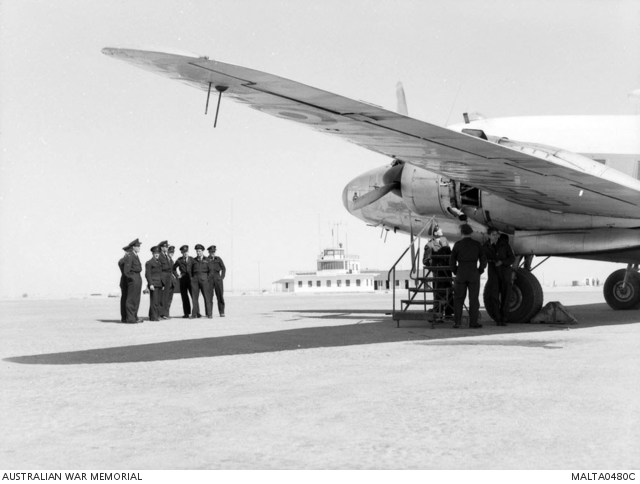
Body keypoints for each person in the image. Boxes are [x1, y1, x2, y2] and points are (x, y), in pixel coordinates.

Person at [449, 224, 487, 329]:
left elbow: (452, 261)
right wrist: (480, 270)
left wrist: (456, 271)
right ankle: (473, 323)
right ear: (471, 232)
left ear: (461, 233)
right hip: (473, 272)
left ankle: (457, 322)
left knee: (458, 299)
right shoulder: (477, 244)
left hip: (461, 272)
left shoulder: (457, 245)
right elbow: (483, 260)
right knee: (473, 299)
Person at [483, 229, 516, 325]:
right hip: (493, 272)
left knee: (506, 295)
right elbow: (482, 259)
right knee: (494, 295)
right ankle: (497, 318)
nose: (496, 236)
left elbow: (512, 258)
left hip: (505, 272)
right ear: (489, 236)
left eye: (497, 234)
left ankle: (504, 318)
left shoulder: (505, 245)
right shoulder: (485, 247)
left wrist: (502, 262)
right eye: (493, 235)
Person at [423, 228, 453, 318]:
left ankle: (449, 313)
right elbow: (425, 261)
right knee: (438, 294)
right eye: (439, 229)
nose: (441, 230)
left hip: (447, 272)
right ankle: (438, 314)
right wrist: (434, 268)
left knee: (449, 292)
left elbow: (450, 255)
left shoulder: (445, 241)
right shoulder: (429, 245)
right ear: (435, 232)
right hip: (438, 273)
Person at [122, 238, 143, 324]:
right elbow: (126, 271)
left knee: (136, 299)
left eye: (139, 246)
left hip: (138, 276)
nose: (139, 247)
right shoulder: (130, 255)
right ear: (133, 247)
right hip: (133, 278)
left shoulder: (135, 255)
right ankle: (130, 318)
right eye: (137, 246)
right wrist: (132, 278)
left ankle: (134, 316)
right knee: (131, 299)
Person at [190, 244, 212, 318]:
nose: (198, 252)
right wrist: (191, 278)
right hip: (195, 280)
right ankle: (194, 314)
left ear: (202, 251)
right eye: (197, 251)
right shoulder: (193, 260)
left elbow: (211, 271)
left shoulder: (207, 260)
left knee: (207, 297)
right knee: (194, 298)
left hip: (204, 280)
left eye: (199, 251)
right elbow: (190, 270)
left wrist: (207, 279)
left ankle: (209, 314)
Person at [174, 245, 194, 318]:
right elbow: (173, 268)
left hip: (191, 279)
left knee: (193, 296)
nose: (185, 253)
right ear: (181, 252)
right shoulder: (179, 260)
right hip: (183, 280)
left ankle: (196, 312)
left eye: (186, 251)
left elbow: (195, 268)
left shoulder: (192, 259)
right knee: (184, 296)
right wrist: (177, 275)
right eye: (183, 252)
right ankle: (186, 313)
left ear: (188, 252)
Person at [207, 245, 226, 317]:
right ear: (209, 252)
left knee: (220, 295)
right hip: (210, 279)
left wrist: (222, 277)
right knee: (209, 296)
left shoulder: (218, 259)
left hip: (218, 278)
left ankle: (222, 312)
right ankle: (209, 313)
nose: (213, 253)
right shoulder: (206, 259)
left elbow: (223, 268)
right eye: (211, 252)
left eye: (214, 251)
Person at [145, 246, 163, 321]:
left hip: (159, 284)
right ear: (152, 254)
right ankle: (153, 317)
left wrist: (163, 284)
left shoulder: (159, 262)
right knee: (154, 301)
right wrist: (150, 284)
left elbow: (160, 274)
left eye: (158, 253)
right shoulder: (149, 263)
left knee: (158, 301)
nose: (157, 255)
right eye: (155, 253)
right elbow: (147, 274)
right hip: (154, 284)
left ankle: (154, 315)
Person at [157, 240, 172, 319]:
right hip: (163, 275)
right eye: (165, 247)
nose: (167, 248)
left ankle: (163, 314)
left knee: (166, 296)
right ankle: (159, 314)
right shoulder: (159, 255)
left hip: (168, 276)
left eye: (167, 247)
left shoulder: (166, 255)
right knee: (161, 296)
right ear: (161, 247)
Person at [118, 244, 132, 323]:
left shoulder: (126, 260)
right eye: (129, 252)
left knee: (127, 299)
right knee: (125, 299)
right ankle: (124, 317)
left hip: (128, 281)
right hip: (125, 281)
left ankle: (127, 316)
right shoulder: (123, 260)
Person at [167, 246, 178, 317]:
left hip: (171, 282)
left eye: (173, 252)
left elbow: (174, 270)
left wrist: (177, 275)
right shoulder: (164, 260)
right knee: (165, 298)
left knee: (169, 299)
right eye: (170, 252)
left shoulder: (172, 261)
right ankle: (163, 313)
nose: (172, 254)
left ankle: (167, 313)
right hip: (166, 282)